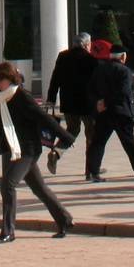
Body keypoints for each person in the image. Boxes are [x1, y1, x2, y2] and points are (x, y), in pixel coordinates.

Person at [0, 61, 74, 243]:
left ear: (10, 79)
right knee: (39, 188)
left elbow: (43, 117)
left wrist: (65, 136)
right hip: (11, 148)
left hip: (27, 149)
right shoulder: (4, 96)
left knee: (8, 185)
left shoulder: (21, 96)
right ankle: (64, 219)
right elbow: (2, 116)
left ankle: (8, 231)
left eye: (0, 80)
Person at [85, 44, 134, 181]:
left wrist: (98, 103)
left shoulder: (99, 69)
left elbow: (90, 88)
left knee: (98, 142)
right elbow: (123, 91)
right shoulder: (124, 71)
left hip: (103, 112)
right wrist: (108, 102)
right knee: (129, 140)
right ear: (122, 56)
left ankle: (93, 171)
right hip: (121, 111)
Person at [43, 32, 98, 176]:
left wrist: (51, 98)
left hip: (69, 103)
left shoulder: (63, 56)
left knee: (72, 130)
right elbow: (97, 83)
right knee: (91, 134)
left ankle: (56, 152)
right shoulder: (91, 59)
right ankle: (91, 169)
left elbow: (55, 78)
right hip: (87, 103)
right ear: (87, 45)